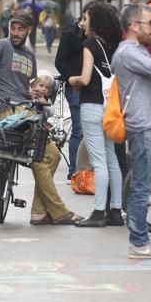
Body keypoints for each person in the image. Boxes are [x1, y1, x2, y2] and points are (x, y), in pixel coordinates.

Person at [0, 11, 83, 225]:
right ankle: (58, 212)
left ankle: (39, 212)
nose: (15, 32)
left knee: (53, 156)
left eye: (20, 29)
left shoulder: (30, 55)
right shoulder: (1, 46)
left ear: (29, 30)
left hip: (29, 111)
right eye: (13, 27)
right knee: (41, 156)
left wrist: (33, 93)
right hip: (9, 112)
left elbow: (24, 87)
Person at [114, 4, 151, 259]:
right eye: (150, 23)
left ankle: (141, 238)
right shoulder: (128, 52)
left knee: (144, 183)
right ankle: (138, 242)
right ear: (133, 26)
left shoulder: (137, 50)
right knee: (143, 185)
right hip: (144, 124)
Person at [67, 3, 124, 228]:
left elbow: (85, 77)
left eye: (86, 17)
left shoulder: (90, 44)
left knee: (98, 160)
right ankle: (116, 211)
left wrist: (73, 80)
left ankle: (99, 211)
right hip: (110, 107)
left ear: (95, 21)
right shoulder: (114, 46)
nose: (83, 21)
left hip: (91, 105)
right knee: (112, 159)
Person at [55, 11, 86, 180]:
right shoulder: (70, 35)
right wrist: (73, 78)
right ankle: (74, 170)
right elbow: (59, 61)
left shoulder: (95, 36)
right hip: (75, 87)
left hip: (93, 88)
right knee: (79, 129)